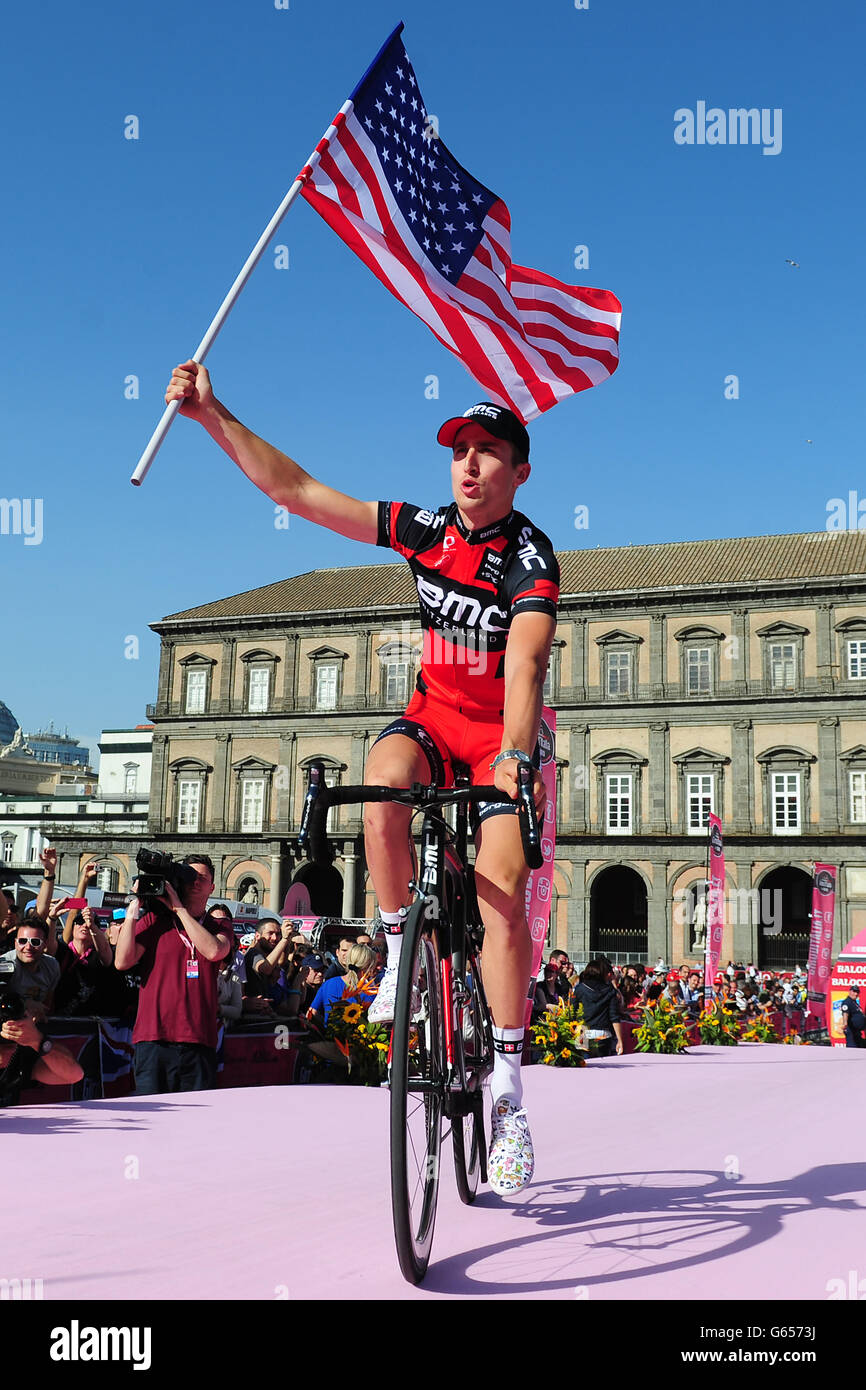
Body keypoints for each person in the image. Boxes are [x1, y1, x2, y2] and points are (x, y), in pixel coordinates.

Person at [165, 363, 559, 1197]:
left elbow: (524, 666)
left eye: (490, 452)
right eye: (460, 451)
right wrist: (210, 415)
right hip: (431, 718)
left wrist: (518, 757)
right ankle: (399, 958)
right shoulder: (422, 527)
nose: (470, 465)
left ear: (519, 471)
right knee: (380, 785)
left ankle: (511, 1095)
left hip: (498, 738)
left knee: (502, 884)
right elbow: (302, 490)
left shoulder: (530, 556)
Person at [115, 855, 232, 1094]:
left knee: (197, 1121)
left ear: (212, 887)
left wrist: (179, 909)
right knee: (150, 1118)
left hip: (199, 1039)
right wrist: (133, 909)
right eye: (189, 876)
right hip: (154, 1037)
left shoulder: (219, 926)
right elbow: (122, 962)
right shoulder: (154, 920)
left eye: (202, 878)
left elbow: (214, 951)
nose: (195, 882)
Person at [0, 916, 60, 1020]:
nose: (28, 947)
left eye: (35, 942)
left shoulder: (52, 966)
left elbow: (48, 1004)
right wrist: (25, 1003)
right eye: (23, 941)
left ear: (45, 944)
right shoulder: (4, 965)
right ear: (15, 943)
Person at [309, 944, 377, 1026]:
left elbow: (312, 1012)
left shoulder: (329, 984)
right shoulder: (370, 992)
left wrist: (326, 1027)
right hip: (360, 1037)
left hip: (330, 1036)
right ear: (368, 966)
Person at [571, 958, 625, 1057]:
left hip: (582, 1032)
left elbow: (572, 1012)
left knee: (583, 1065)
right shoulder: (610, 991)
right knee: (604, 1067)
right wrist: (620, 1040)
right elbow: (614, 1017)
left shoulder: (579, 989)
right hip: (603, 1034)